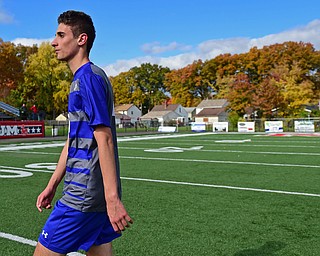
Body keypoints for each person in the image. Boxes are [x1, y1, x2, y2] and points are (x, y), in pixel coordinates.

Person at [34, 10, 133, 256]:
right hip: (94, 199)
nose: (53, 42)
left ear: (81, 39)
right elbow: (73, 141)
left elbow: (105, 138)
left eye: (60, 35)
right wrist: (52, 184)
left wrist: (113, 199)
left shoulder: (87, 79)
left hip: (82, 196)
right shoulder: (91, 77)